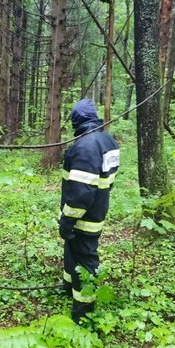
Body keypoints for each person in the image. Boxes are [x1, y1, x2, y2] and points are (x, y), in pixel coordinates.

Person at [58, 99, 120, 323]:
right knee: (72, 251)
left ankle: (84, 312)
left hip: (83, 217)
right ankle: (68, 285)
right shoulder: (108, 140)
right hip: (98, 210)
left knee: (85, 258)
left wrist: (67, 221)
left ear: (77, 120)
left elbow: (81, 193)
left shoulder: (85, 146)